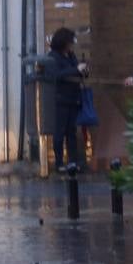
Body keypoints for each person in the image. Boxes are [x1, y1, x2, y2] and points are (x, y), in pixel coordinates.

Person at [46, 27, 90, 170]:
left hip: (73, 97)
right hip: (61, 99)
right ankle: (59, 162)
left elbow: (77, 70)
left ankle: (73, 161)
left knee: (71, 132)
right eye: (70, 42)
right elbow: (57, 75)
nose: (72, 45)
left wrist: (83, 71)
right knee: (59, 132)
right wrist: (76, 70)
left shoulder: (70, 55)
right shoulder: (53, 56)